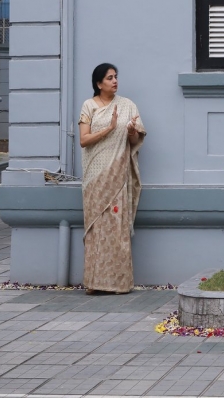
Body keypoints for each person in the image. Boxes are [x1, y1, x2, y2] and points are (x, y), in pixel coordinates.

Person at [79, 63, 146, 295]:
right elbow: (83, 140)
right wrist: (108, 129)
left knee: (117, 229)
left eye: (116, 77)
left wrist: (130, 132)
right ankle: (93, 283)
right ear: (99, 84)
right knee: (96, 229)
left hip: (117, 176)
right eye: (109, 78)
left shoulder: (127, 105)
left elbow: (136, 138)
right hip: (95, 178)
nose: (115, 81)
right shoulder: (89, 106)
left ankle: (119, 283)